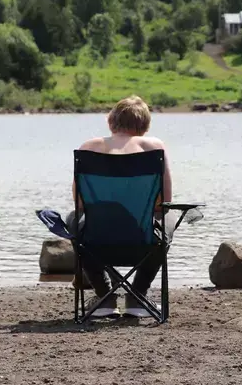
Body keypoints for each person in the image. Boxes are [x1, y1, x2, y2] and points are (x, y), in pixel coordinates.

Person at [69, 95, 176, 318]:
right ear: (145, 126)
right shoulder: (154, 148)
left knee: (73, 218)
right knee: (170, 219)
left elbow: (79, 203)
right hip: (142, 243)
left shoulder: (88, 148)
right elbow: (165, 200)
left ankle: (105, 298)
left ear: (110, 121)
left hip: (96, 243)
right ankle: (137, 296)